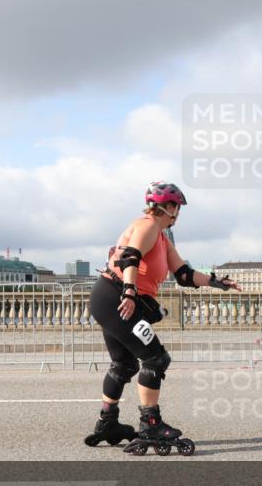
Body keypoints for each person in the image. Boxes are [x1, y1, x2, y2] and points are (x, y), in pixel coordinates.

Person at [85, 181, 241, 455]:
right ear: (168, 207)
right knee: (155, 358)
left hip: (110, 297)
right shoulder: (147, 226)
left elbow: (184, 275)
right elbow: (130, 258)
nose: (178, 213)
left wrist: (217, 282)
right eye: (176, 207)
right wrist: (129, 293)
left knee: (124, 364)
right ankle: (150, 424)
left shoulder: (161, 238)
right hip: (117, 297)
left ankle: (107, 422)